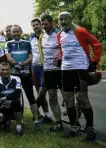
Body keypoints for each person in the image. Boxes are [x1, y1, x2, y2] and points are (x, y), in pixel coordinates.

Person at [57, 12, 102, 140]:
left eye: (66, 19)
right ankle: (74, 128)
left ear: (71, 19)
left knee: (82, 98)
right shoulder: (60, 35)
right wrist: (61, 61)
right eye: (61, 20)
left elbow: (97, 45)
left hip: (81, 69)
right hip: (66, 70)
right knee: (69, 99)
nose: (63, 22)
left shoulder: (80, 31)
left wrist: (94, 62)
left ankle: (90, 130)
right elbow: (63, 51)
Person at [5, 25, 40, 130]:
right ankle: (19, 121)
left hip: (25, 74)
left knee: (31, 97)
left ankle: (36, 119)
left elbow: (30, 57)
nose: (16, 33)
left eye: (17, 31)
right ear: (11, 33)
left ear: (21, 32)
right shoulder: (8, 43)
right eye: (14, 32)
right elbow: (8, 57)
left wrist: (22, 64)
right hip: (14, 75)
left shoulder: (27, 43)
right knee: (15, 98)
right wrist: (17, 64)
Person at [39, 14, 63, 132]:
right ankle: (59, 123)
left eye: (46, 24)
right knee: (52, 97)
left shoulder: (60, 34)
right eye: (42, 24)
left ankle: (75, 123)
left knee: (67, 97)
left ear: (52, 23)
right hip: (48, 71)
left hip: (61, 70)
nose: (44, 26)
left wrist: (61, 60)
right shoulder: (42, 36)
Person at [29, 18, 52, 123]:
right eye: (33, 25)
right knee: (39, 92)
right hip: (35, 67)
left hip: (46, 67)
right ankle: (47, 115)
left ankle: (35, 109)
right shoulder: (31, 39)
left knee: (43, 92)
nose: (35, 26)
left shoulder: (47, 36)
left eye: (37, 24)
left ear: (41, 25)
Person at [0, 62, 24, 135]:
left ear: (10, 70)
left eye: (7, 69)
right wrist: (4, 100)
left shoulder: (17, 79)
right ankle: (6, 121)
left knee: (16, 102)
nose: (5, 72)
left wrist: (5, 98)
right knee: (5, 127)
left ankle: (19, 126)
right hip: (3, 104)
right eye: (2, 70)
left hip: (13, 102)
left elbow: (17, 93)